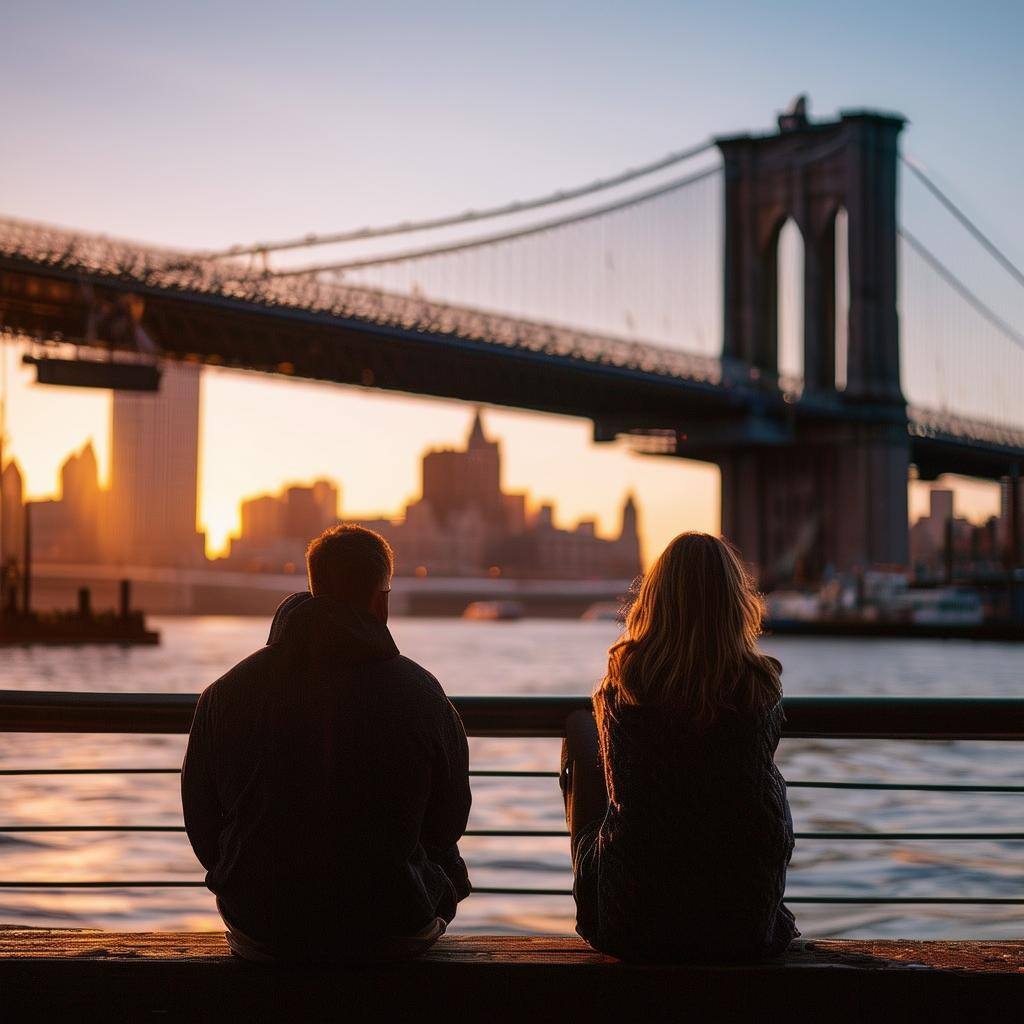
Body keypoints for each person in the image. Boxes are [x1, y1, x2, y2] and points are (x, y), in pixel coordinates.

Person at [181, 525, 471, 963]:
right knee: (443, 861)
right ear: (381, 600)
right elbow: (448, 822)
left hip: (265, 927)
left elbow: (201, 822)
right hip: (389, 926)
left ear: (313, 587)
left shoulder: (225, 692)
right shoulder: (423, 692)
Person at [560, 531, 797, 963]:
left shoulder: (624, 684)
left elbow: (622, 784)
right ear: (733, 601)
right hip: (741, 922)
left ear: (655, 598)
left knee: (580, 731)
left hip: (633, 919)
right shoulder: (759, 684)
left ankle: (592, 892)